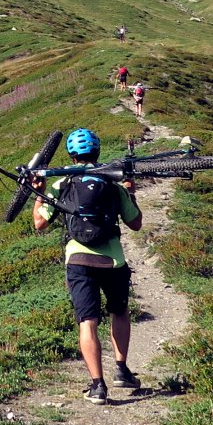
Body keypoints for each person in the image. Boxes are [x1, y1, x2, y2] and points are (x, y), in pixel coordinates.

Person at [32, 128, 143, 404]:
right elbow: (136, 224)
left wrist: (39, 193)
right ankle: (121, 370)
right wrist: (130, 193)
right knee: (119, 312)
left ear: (71, 155)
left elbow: (39, 224)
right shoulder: (113, 185)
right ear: (98, 152)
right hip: (113, 260)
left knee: (87, 321)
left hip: (78, 260)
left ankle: (97, 386)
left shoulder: (62, 185)